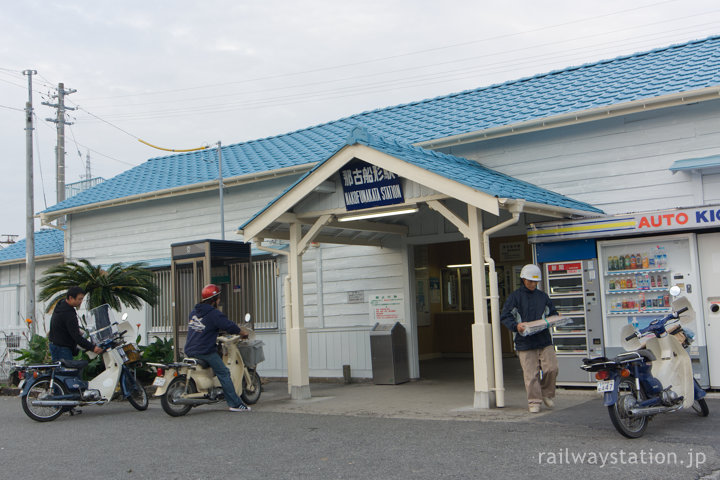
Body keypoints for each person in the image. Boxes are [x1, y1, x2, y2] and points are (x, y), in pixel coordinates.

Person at [500, 264, 559, 413]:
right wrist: (516, 326)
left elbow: (552, 313)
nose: (533, 284)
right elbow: (505, 315)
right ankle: (534, 401)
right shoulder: (515, 297)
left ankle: (547, 394)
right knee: (530, 374)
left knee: (552, 368)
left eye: (535, 282)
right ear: (523, 279)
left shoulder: (543, 296)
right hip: (524, 341)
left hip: (544, 339)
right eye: (530, 281)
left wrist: (555, 319)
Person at [184, 284, 252, 413]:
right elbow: (228, 325)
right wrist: (241, 332)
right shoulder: (214, 313)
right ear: (215, 299)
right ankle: (235, 404)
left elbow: (203, 328)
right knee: (224, 372)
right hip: (204, 351)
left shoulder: (194, 312)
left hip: (190, 349)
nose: (219, 300)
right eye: (219, 298)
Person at [48, 286, 103, 362]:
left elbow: (64, 326)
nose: (80, 302)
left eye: (82, 299)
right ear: (70, 298)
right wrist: (93, 348)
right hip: (62, 348)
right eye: (79, 299)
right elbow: (76, 337)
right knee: (68, 372)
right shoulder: (68, 313)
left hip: (56, 345)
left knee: (62, 371)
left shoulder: (61, 305)